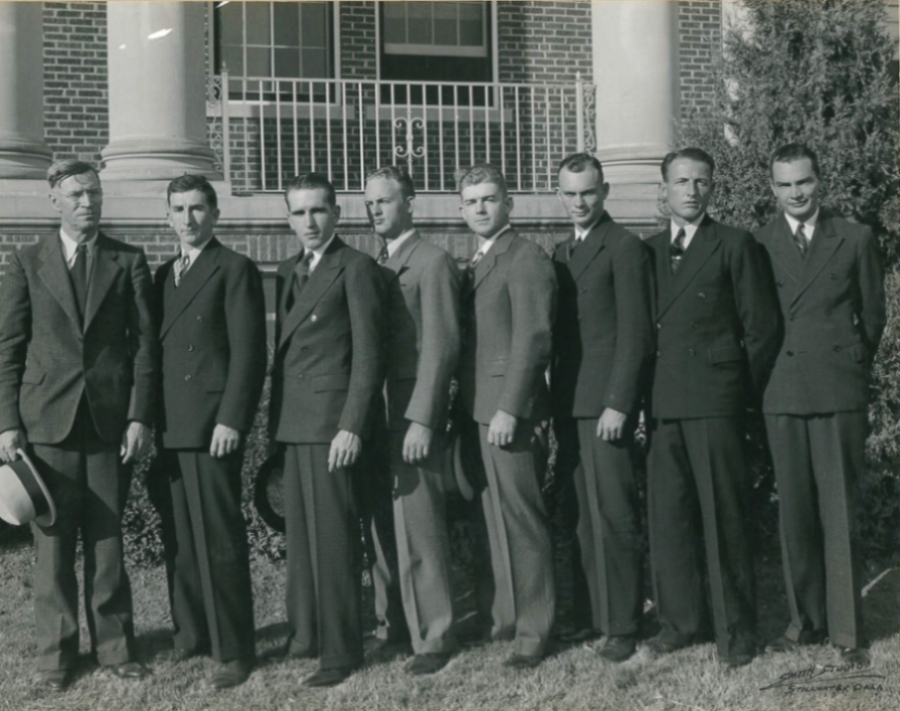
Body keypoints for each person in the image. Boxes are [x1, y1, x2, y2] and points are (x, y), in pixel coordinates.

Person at [0, 160, 157, 690]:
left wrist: (139, 416)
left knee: (108, 540)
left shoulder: (127, 260)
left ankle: (115, 647)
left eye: (93, 193)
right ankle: (56, 658)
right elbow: (8, 348)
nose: (87, 203)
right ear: (54, 201)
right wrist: (7, 424)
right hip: (46, 423)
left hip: (110, 422)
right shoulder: (26, 262)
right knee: (53, 545)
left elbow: (144, 351)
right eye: (75, 195)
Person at [644, 148, 779, 668]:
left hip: (716, 401)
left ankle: (737, 632)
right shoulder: (648, 251)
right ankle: (679, 623)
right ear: (665, 190)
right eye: (682, 182)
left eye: (701, 181)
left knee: (725, 519)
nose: (692, 190)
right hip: (662, 401)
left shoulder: (735, 244)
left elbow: (761, 329)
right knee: (669, 517)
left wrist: (738, 396)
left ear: (713, 188)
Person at [755, 143, 885, 666]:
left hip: (836, 386)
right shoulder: (758, 243)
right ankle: (804, 622)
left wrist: (849, 365)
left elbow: (872, 318)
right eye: (784, 185)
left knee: (838, 511)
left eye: (803, 182)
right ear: (772, 189)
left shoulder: (854, 237)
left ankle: (847, 631)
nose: (796, 193)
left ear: (819, 181)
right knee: (796, 514)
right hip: (781, 388)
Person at [270, 173, 386, 687]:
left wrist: (352, 426)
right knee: (302, 539)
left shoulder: (355, 267)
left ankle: (340, 651)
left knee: (335, 539)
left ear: (337, 213)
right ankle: (308, 633)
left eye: (318, 211)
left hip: (331, 426)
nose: (309, 222)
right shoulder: (287, 268)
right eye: (299, 213)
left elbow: (368, 355)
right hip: (295, 423)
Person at [151, 174, 266, 688]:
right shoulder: (162, 276)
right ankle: (191, 633)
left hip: (213, 425)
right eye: (179, 209)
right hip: (172, 425)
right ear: (168, 216)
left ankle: (233, 647)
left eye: (198, 208)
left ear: (215, 214)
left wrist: (232, 420)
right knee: (180, 539)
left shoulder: (234, 268)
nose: (189, 219)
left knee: (219, 538)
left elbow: (249, 354)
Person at [551, 153, 654, 661]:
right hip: (568, 403)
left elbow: (635, 334)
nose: (579, 202)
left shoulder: (625, 247)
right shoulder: (561, 250)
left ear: (605, 190)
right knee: (581, 516)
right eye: (570, 193)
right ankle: (594, 615)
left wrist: (620, 403)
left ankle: (623, 623)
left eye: (588, 192)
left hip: (605, 405)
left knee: (614, 514)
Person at [456, 164, 557, 669]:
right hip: (478, 411)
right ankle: (505, 617)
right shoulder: (476, 260)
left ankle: (536, 629)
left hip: (508, 414)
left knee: (522, 520)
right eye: (471, 201)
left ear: (509, 203)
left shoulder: (525, 257)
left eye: (489, 199)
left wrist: (511, 408)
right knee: (492, 518)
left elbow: (534, 338)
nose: (480, 208)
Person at [363, 166, 462, 675]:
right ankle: (393, 627)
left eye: (385, 200)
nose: (376, 209)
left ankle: (435, 636)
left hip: (412, 417)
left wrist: (424, 419)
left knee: (420, 528)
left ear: (410, 203)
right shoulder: (378, 263)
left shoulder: (432, 261)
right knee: (383, 528)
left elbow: (441, 348)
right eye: (370, 202)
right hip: (378, 416)